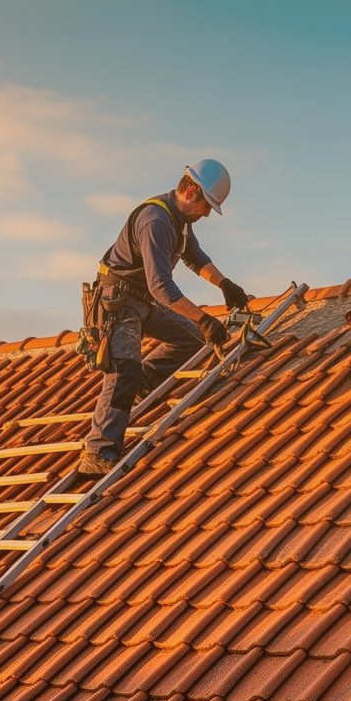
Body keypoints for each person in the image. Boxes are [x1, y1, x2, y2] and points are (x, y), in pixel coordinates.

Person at [79, 158, 249, 476]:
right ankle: (98, 450)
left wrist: (224, 284)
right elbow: (161, 287)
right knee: (123, 370)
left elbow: (194, 257)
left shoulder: (179, 222)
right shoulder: (155, 220)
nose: (208, 213)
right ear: (193, 193)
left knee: (194, 342)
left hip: (142, 303)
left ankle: (142, 384)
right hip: (118, 303)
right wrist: (204, 318)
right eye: (208, 205)